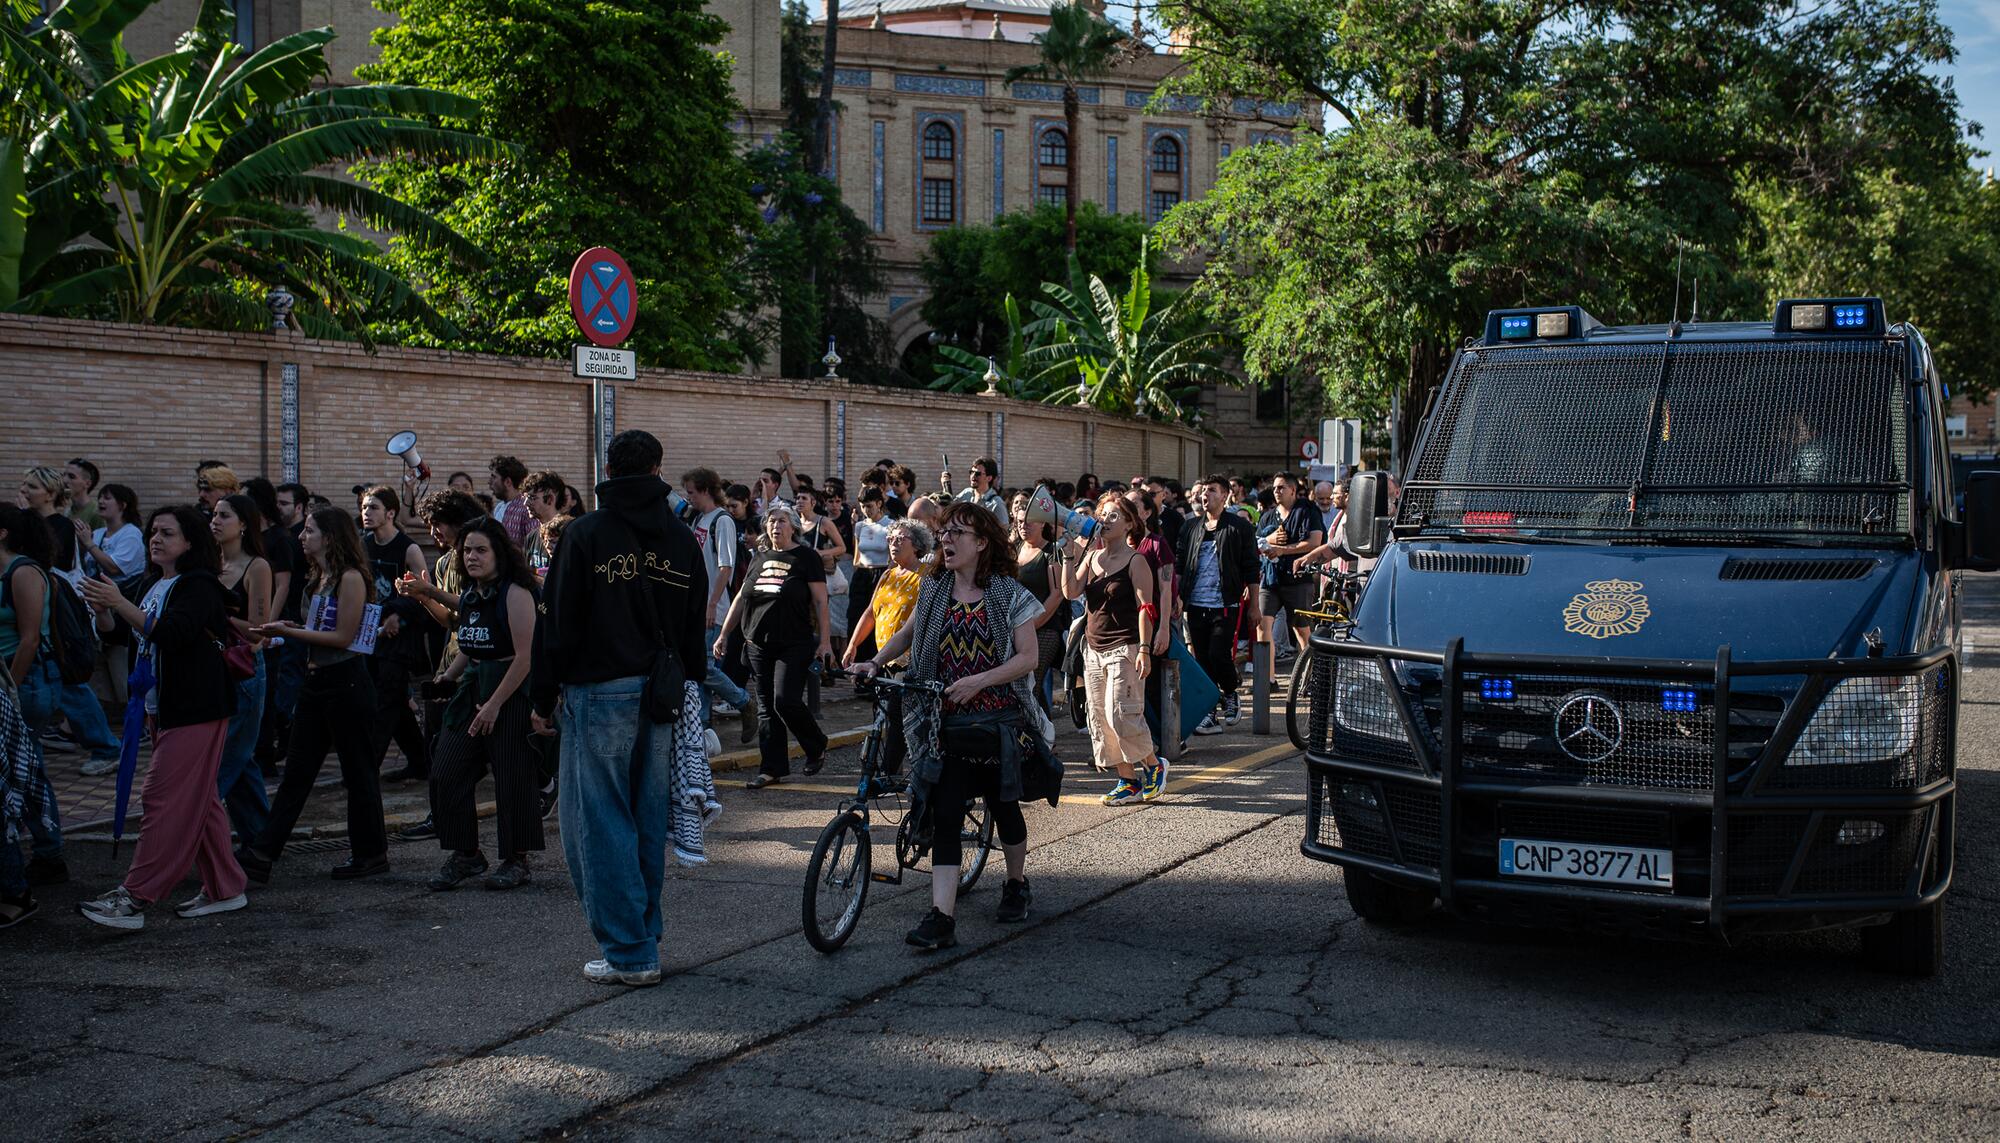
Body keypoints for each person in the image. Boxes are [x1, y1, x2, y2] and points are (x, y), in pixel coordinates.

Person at [530, 429, 709, 988]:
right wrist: (691, 695)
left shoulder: (585, 534)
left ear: (609, 467)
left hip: (598, 690)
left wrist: (541, 695)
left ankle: (629, 952)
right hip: (659, 694)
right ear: (658, 469)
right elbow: (692, 624)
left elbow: (556, 621)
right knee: (645, 820)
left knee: (598, 824)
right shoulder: (682, 540)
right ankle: (643, 940)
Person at [852, 501, 1050, 950]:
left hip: (997, 719)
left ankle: (1016, 884)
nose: (947, 539)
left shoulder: (1008, 593)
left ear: (982, 544)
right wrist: (875, 661)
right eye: (945, 532)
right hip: (944, 720)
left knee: (1004, 807)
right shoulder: (936, 588)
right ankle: (942, 917)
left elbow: (1028, 658)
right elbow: (909, 633)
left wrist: (979, 680)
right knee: (945, 813)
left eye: (959, 533)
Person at [76, 505, 247, 931]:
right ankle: (226, 888)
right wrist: (103, 609)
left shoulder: (199, 585)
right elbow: (125, 631)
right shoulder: (156, 582)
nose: (156, 539)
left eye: (167, 533)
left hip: (195, 706)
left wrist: (118, 601)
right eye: (154, 532)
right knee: (202, 803)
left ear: (189, 542)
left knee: (161, 798)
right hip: (161, 706)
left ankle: (135, 897)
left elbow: (171, 633)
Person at [236, 507, 387, 883]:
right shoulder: (320, 576)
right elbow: (318, 627)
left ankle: (371, 854)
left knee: (358, 773)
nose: (302, 538)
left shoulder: (350, 578)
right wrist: (293, 627)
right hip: (316, 682)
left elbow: (343, 638)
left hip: (347, 683)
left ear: (330, 537)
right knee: (297, 774)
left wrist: (289, 632)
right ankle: (262, 853)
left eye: (309, 531)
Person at [425, 517, 543, 892]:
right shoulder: (473, 594)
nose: (471, 557)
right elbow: (472, 644)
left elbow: (525, 657)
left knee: (512, 779)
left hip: (510, 694)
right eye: (467, 550)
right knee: (445, 770)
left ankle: (516, 860)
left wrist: (495, 704)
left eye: (480, 550)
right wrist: (449, 676)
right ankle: (467, 854)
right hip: (473, 693)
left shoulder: (516, 592)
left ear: (499, 553)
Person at [718, 504, 833, 788]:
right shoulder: (759, 557)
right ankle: (771, 768)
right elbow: (742, 599)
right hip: (758, 642)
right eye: (770, 522)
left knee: (786, 700)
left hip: (794, 642)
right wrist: (724, 634)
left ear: (793, 526)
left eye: (781, 521)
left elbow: (820, 601)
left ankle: (816, 743)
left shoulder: (806, 557)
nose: (775, 526)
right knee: (767, 707)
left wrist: (826, 641)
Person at [19, 466, 120, 775]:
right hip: (41, 611)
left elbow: (50, 561)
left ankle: (106, 747)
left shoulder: (59, 525)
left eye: (31, 487)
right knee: (58, 680)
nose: (24, 491)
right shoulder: (35, 523)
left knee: (67, 681)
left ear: (49, 493)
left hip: (58, 615)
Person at [1062, 493, 1161, 804]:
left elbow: (1147, 607)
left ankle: (1154, 766)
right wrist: (1069, 557)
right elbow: (1071, 592)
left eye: (1113, 515)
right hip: (1093, 648)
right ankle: (1127, 780)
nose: (1104, 520)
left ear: (1130, 522)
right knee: (1100, 718)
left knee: (1121, 714)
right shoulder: (1092, 558)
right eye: (1102, 514)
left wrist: (1144, 649)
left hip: (1125, 647)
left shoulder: (1136, 560)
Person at [0, 505, 66, 911]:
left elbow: (28, 639)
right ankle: (45, 850)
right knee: (24, 766)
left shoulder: (23, 572)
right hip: (12, 684)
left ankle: (48, 854)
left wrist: (10, 690)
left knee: (29, 767)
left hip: (27, 683)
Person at [841, 518, 932, 773]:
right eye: (890, 539)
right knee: (885, 714)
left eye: (900, 539)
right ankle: (889, 771)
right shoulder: (888, 575)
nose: (893, 543)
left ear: (916, 545)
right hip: (884, 657)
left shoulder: (927, 577)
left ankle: (890, 771)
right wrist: (853, 646)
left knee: (896, 714)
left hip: (910, 659)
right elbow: (871, 612)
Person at [209, 494, 272, 844]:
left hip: (244, 669)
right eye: (214, 515)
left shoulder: (256, 566)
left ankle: (195, 833)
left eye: (224, 516)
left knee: (224, 762)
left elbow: (260, 629)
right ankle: (261, 840)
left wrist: (219, 615)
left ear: (244, 524)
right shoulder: (208, 562)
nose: (215, 522)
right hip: (213, 669)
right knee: (242, 763)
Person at [358, 485, 431, 783]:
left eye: (373, 507)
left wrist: (398, 614)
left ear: (390, 512)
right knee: (395, 704)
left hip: (400, 637)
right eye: (364, 507)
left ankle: (365, 771)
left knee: (384, 702)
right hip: (371, 632)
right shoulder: (364, 545)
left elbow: (424, 593)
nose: (366, 513)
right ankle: (420, 761)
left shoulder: (408, 548)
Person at [1177, 476, 1260, 734]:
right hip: (1195, 604)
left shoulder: (1238, 528)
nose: (1205, 495)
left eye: (1211, 491)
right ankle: (1210, 711)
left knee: (1218, 654)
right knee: (1201, 660)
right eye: (1202, 491)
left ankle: (1231, 692)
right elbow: (1181, 566)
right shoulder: (1190, 527)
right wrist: (1178, 598)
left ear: (1225, 495)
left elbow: (1251, 569)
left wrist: (1254, 606)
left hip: (1226, 603)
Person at [682, 467, 756, 743]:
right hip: (696, 604)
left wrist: (712, 604)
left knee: (702, 666)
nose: (688, 498)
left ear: (705, 490)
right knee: (697, 668)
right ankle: (702, 730)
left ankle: (743, 700)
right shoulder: (699, 519)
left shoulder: (721, 520)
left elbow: (725, 566)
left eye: (691, 492)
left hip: (714, 605)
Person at [1259, 472, 1326, 674]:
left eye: (1281, 488)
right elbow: (1256, 541)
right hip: (1270, 580)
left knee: (1301, 627)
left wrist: (1283, 549)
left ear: (1293, 490)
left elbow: (1315, 541)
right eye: (1275, 488)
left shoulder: (1307, 511)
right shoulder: (1268, 515)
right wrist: (1270, 539)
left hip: (1298, 579)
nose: (1277, 491)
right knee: (1263, 624)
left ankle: (1311, 675)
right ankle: (1267, 678)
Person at [1010, 490, 1066, 711]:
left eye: (1030, 522)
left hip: (1044, 629)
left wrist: (1033, 625)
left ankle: (1041, 739)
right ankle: (1040, 736)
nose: (1024, 526)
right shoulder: (1014, 549)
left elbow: (1057, 594)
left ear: (1043, 524)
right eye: (1020, 522)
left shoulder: (1051, 552)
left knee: (1030, 681)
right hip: (1015, 627)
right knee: (1022, 684)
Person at [846, 486, 894, 664]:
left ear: (879, 504)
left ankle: (876, 663)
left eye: (869, 506)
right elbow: (857, 555)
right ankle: (856, 663)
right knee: (856, 617)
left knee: (877, 618)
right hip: (862, 574)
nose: (866, 510)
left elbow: (892, 556)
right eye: (862, 506)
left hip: (881, 572)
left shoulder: (889, 525)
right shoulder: (860, 526)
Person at [520, 470, 567, 579]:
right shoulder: (531, 537)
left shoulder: (568, 534)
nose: (525, 503)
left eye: (532, 497)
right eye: (525, 497)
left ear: (550, 499)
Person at [487, 456, 534, 553]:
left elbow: (533, 547)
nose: (489, 482)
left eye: (494, 477)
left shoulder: (526, 508)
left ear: (508, 482)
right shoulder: (499, 507)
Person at [941, 457, 1009, 525]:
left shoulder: (996, 504)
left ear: (989, 478)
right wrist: (945, 485)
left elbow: (1004, 530)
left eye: (977, 474)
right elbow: (949, 508)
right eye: (971, 472)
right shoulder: (967, 493)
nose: (973, 476)